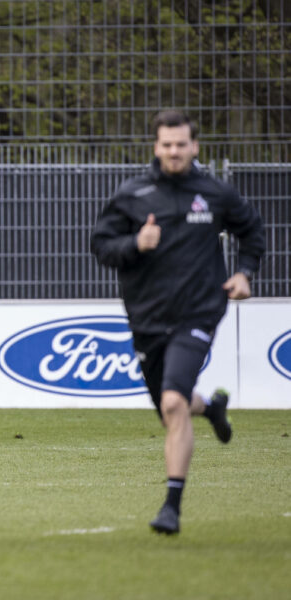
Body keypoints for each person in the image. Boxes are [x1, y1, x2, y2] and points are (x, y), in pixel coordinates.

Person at [91, 110, 265, 535]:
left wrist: (244, 272)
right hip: (147, 318)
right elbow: (101, 244)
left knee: (172, 402)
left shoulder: (215, 192)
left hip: (199, 312)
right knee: (176, 405)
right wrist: (136, 242)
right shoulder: (134, 194)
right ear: (156, 146)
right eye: (166, 144)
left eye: (181, 144)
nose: (173, 151)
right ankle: (211, 407)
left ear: (194, 146)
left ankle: (171, 506)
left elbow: (253, 232)